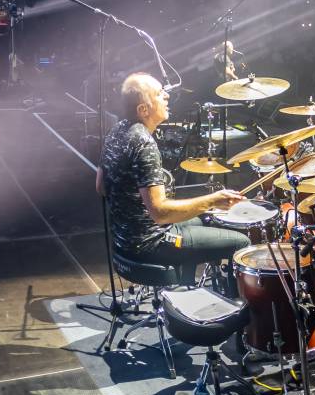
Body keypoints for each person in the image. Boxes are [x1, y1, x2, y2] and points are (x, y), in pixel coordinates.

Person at [97, 73, 249, 277]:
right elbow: (160, 213)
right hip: (150, 243)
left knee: (206, 220)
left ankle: (189, 289)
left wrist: (131, 209)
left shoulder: (117, 130)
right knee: (242, 242)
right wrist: (214, 199)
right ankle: (237, 307)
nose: (167, 97)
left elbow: (101, 186)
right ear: (143, 110)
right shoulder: (143, 143)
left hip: (123, 239)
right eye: (159, 94)